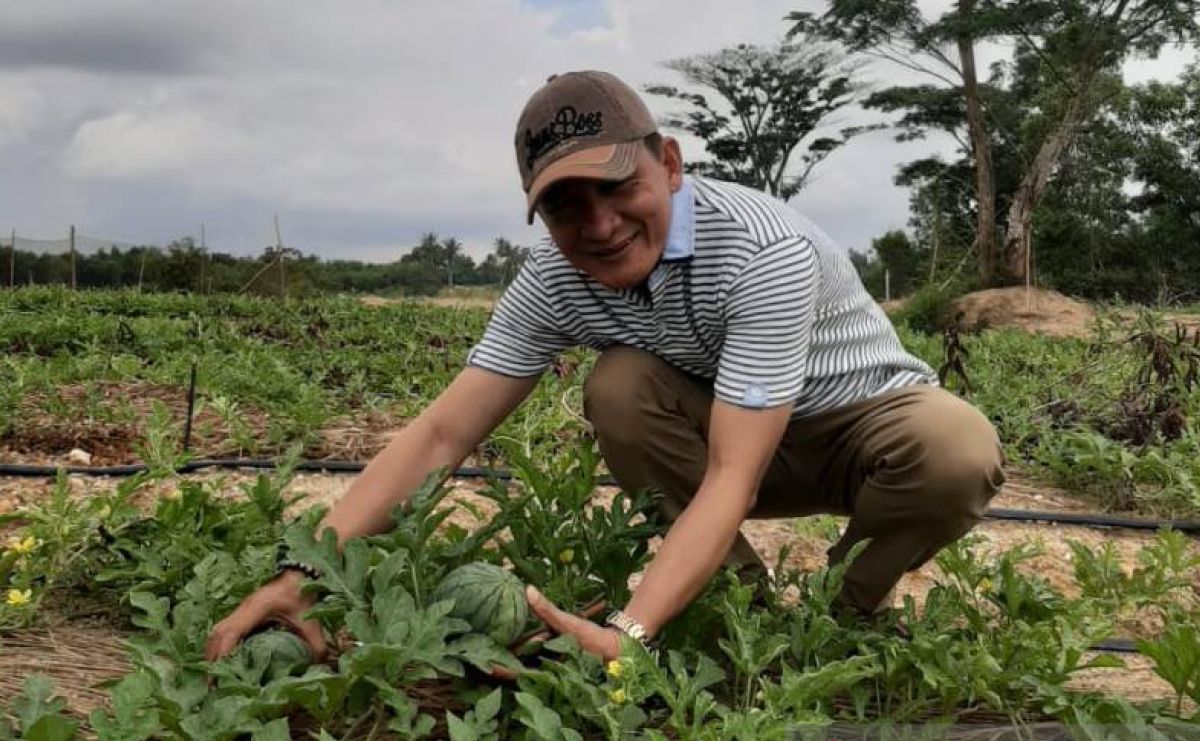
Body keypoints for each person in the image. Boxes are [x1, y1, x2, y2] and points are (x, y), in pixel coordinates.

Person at [205, 70, 1005, 665]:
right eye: (564, 204)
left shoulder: (761, 252)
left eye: (617, 185)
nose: (599, 224)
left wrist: (629, 629)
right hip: (731, 432)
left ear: (669, 162)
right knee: (618, 386)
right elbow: (444, 433)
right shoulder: (555, 278)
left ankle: (848, 608)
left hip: (859, 431)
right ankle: (738, 610)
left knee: (953, 448)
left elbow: (735, 473)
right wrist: (306, 571)